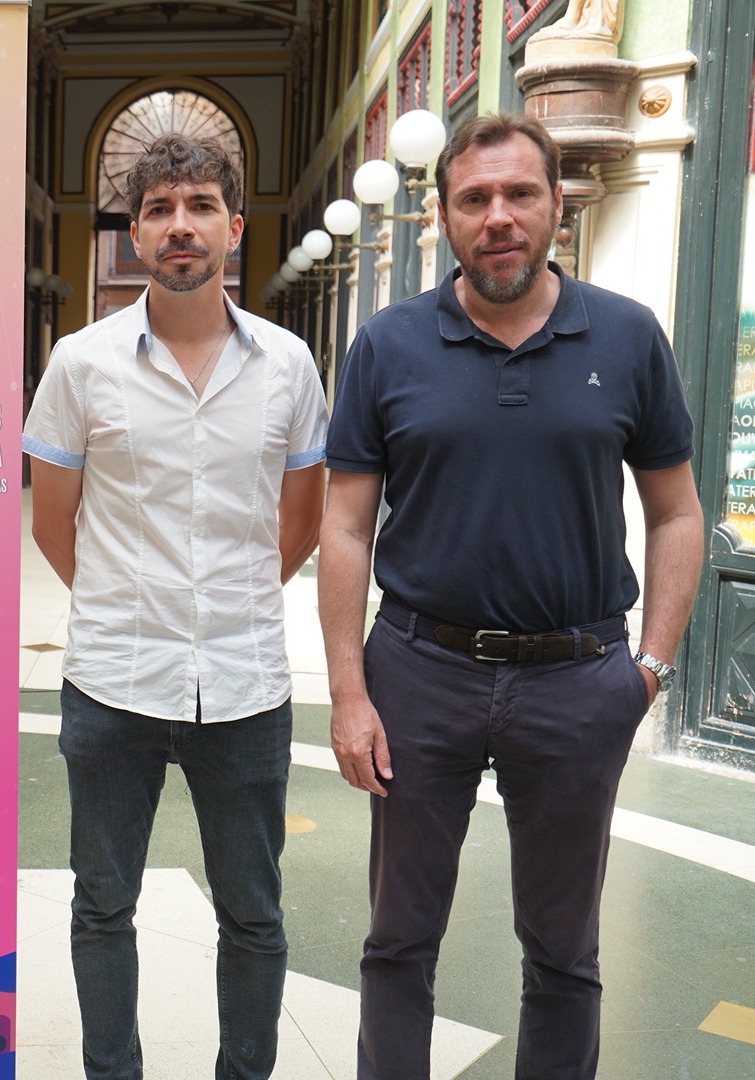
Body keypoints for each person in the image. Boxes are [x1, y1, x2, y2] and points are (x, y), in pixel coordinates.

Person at [318, 112, 704, 1080]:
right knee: (398, 941)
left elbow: (676, 513)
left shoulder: (627, 337)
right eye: (474, 198)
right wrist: (349, 693)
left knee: (564, 953)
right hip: (418, 675)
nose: (498, 216)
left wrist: (649, 668)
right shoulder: (387, 344)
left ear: (555, 206)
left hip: (577, 678)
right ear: (442, 217)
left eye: (519, 193)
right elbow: (344, 528)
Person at [24, 132, 328, 1080]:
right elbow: (53, 522)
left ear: (235, 228)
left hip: (244, 685)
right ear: (136, 234)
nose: (180, 225)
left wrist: (223, 604)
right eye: (159, 209)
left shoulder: (288, 366)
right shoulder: (81, 363)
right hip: (113, 682)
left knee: (254, 913)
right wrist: (129, 604)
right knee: (101, 906)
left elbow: (301, 524)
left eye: (201, 206)